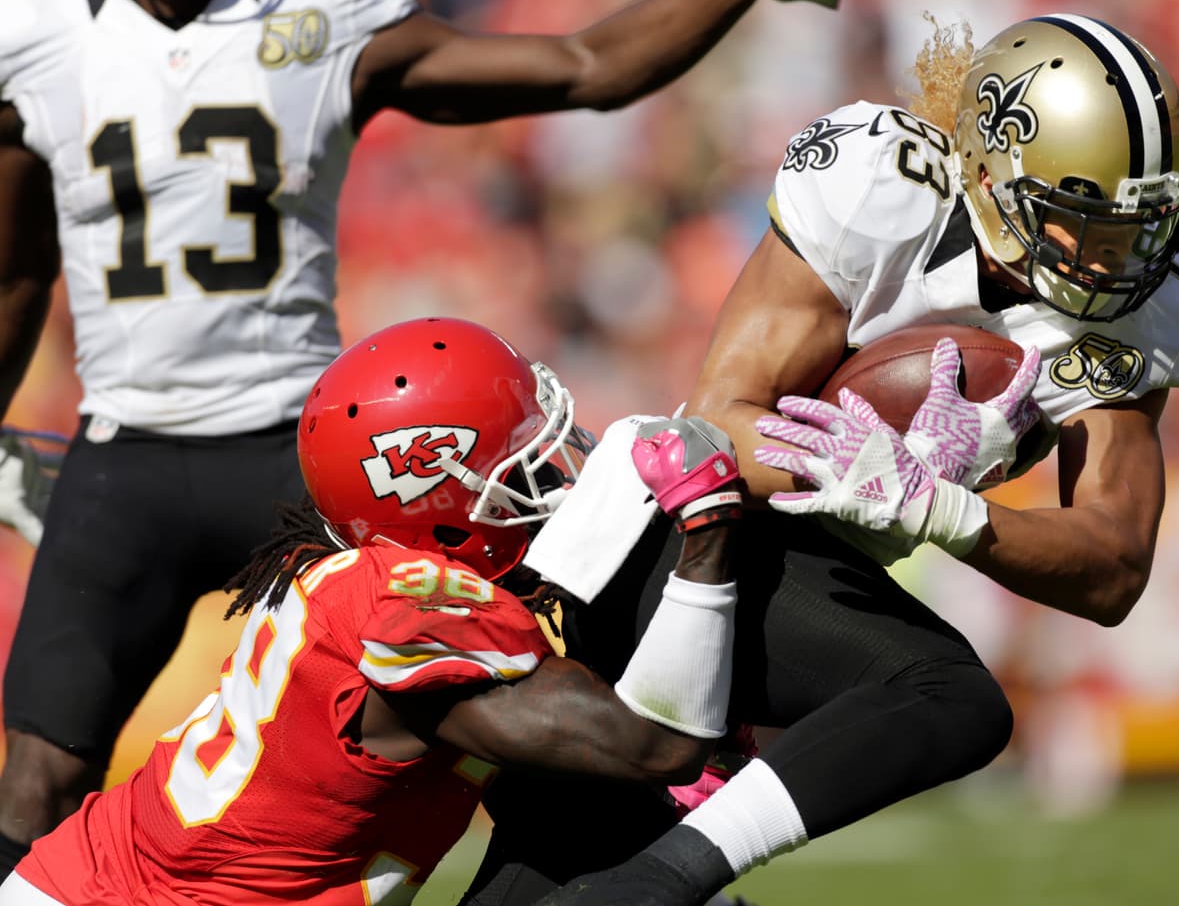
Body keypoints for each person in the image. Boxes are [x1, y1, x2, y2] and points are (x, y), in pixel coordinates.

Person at [0, 0, 839, 877]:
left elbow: (593, 65)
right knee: (38, 780)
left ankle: (638, 878)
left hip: (300, 466)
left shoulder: (316, 21)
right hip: (124, 458)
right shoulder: (39, 34)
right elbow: (16, 273)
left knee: (532, 711)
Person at [453, 13, 1179, 906]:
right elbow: (711, 430)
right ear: (985, 173)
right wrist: (874, 466)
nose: (1116, 260)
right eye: (1081, 221)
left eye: (1139, 226)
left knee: (535, 880)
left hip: (806, 574)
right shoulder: (880, 188)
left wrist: (942, 510)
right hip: (677, 531)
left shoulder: (1143, 308)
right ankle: (661, 882)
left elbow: (1114, 565)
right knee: (947, 694)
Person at [0, 315, 751, 905]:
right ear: (438, 484)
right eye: (526, 459)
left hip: (116, 880)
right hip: (137, 897)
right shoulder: (409, 606)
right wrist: (708, 532)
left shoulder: (367, 579)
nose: (558, 470)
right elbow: (660, 744)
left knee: (590, 811)